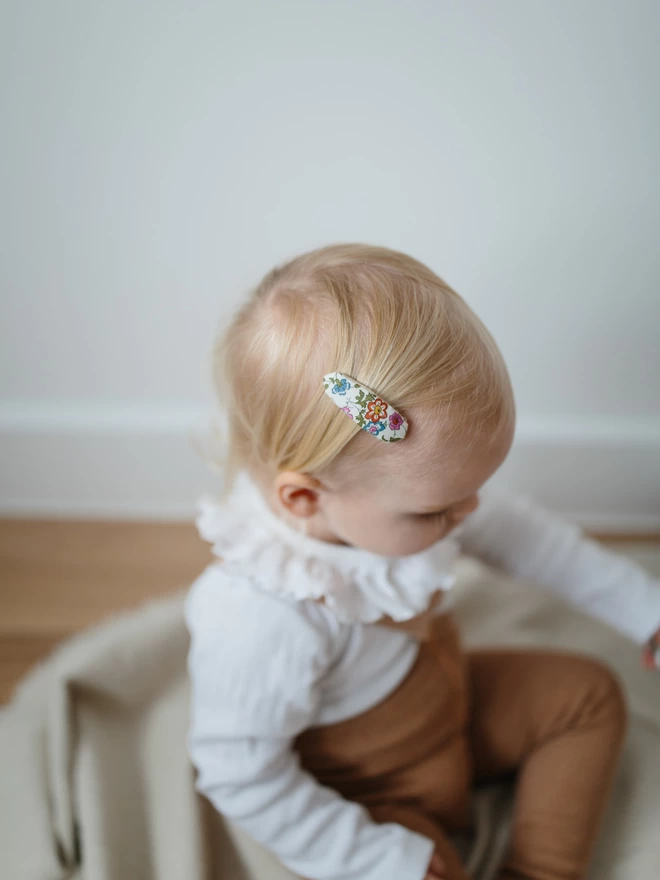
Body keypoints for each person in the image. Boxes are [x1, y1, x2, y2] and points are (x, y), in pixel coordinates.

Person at [185, 244, 660, 880]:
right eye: (438, 511)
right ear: (305, 497)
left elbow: (533, 541)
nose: (468, 514)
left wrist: (645, 610)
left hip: (449, 703)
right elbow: (241, 774)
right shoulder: (262, 616)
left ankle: (540, 868)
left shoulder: (416, 494)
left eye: (475, 491)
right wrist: (377, 856)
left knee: (589, 694)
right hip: (375, 793)